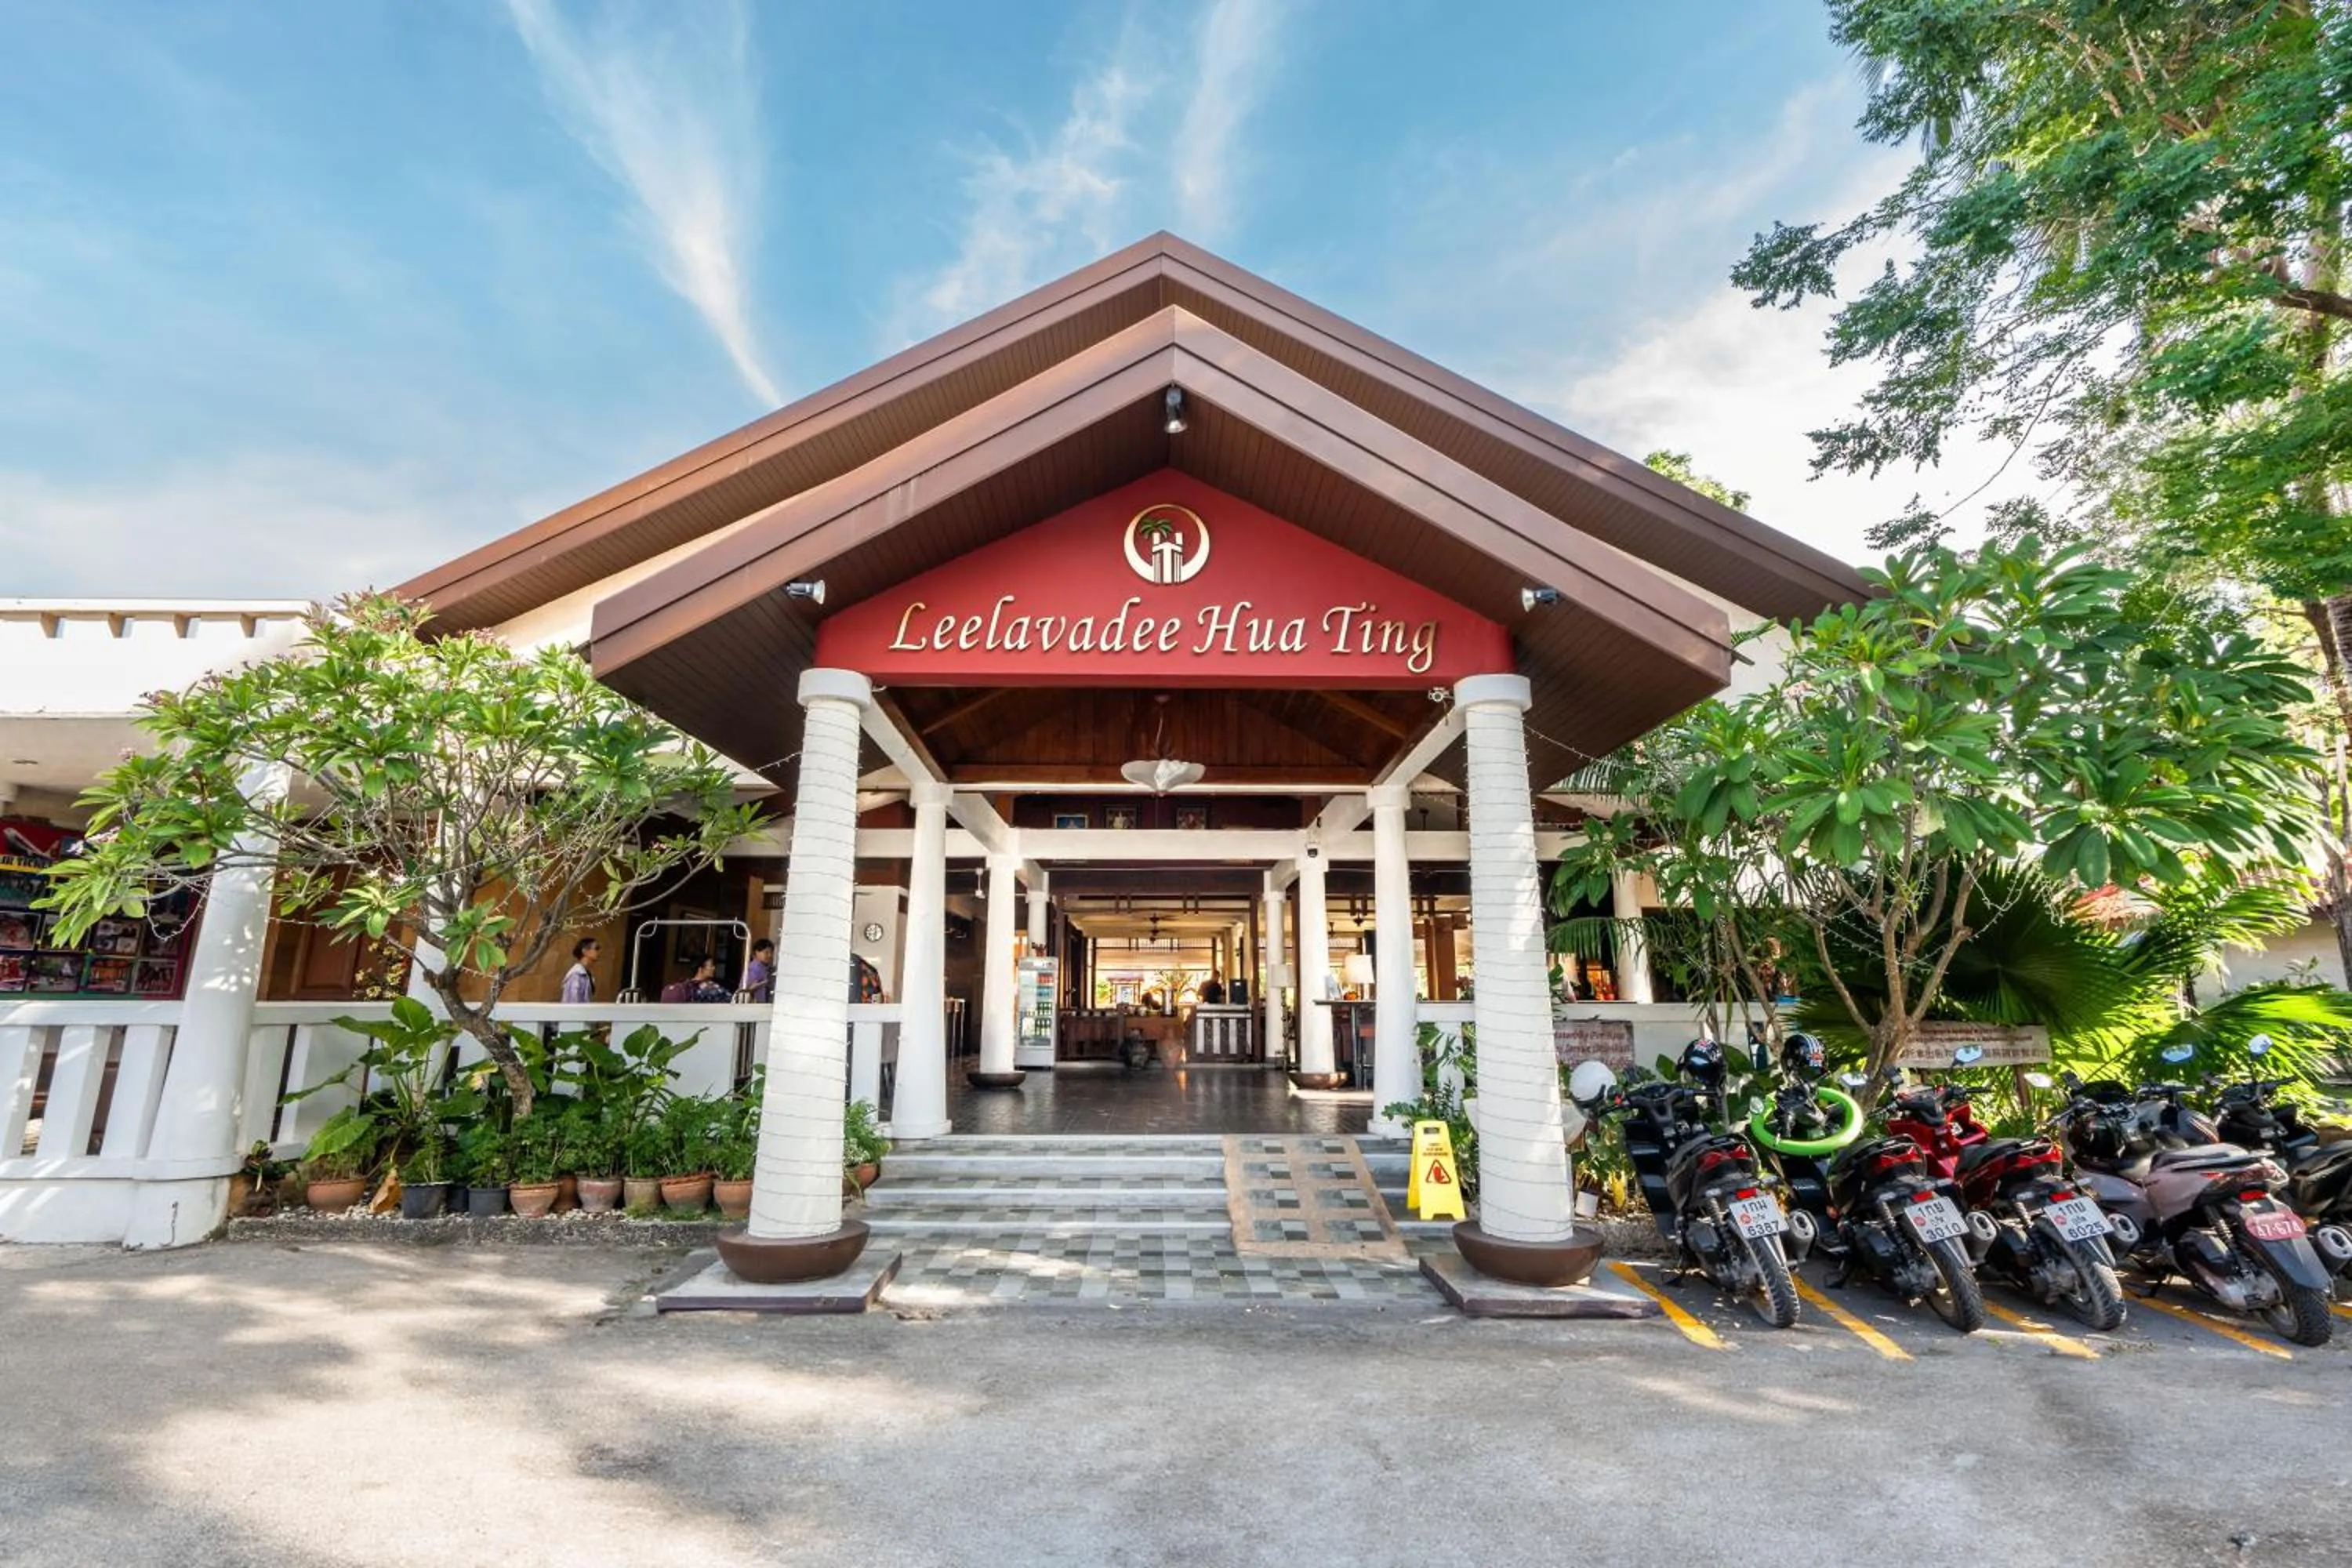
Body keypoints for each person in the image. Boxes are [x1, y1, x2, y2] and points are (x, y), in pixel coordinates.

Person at [560, 938, 598, 1004]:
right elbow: (573, 1002)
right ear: (585, 951)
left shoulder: (586, 974)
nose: (598, 952)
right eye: (596, 948)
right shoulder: (576, 975)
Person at [743, 938, 775, 1002]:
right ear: (757, 952)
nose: (770, 955)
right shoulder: (755, 967)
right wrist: (763, 983)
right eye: (766, 952)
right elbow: (748, 988)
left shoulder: (765, 967)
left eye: (771, 952)